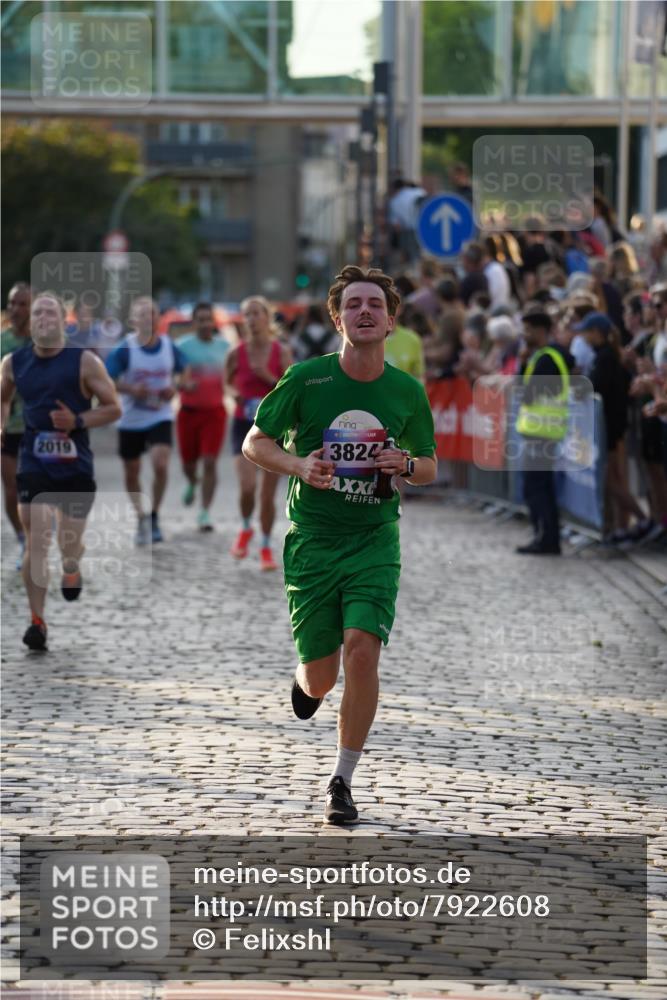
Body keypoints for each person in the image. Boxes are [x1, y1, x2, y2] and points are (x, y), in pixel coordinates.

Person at [242, 265, 437, 824]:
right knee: (322, 675)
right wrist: (300, 463)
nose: (366, 311)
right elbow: (255, 442)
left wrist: (404, 463)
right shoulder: (308, 379)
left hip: (375, 539)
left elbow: (429, 467)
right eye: (354, 304)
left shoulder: (406, 391)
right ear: (337, 318)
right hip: (314, 542)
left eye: (375, 304)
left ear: (391, 319)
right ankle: (308, 684)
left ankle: (341, 780)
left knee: (362, 648)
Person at [0, 292, 121, 650]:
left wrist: (79, 419)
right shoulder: (13, 362)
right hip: (34, 461)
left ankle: (72, 566)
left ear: (62, 321)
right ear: (29, 322)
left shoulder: (83, 362)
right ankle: (37, 621)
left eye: (50, 313)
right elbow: (3, 396)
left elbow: (113, 408)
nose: (43, 319)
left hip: (74, 467)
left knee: (68, 543)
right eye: (38, 314)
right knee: (36, 538)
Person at [106, 297, 187, 545]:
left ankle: (154, 515)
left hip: (160, 415)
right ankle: (140, 515)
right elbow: (106, 380)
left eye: (152, 313)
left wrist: (175, 387)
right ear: (133, 321)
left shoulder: (168, 346)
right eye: (142, 314)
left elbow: (184, 373)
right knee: (132, 471)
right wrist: (130, 389)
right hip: (131, 418)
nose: (148, 318)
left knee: (160, 464)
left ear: (158, 318)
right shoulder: (124, 348)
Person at [224, 296, 291, 570]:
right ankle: (244, 528)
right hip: (243, 425)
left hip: (273, 428)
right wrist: (234, 395)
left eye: (256, 314)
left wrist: (268, 378)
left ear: (267, 318)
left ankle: (264, 545)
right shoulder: (235, 353)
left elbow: (291, 390)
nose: (251, 320)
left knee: (267, 495)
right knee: (248, 487)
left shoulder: (281, 352)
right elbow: (225, 384)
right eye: (246, 315)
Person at [515, 308, 574, 556]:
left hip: (543, 433)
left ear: (541, 330)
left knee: (537, 488)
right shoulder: (546, 355)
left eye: (528, 329)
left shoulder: (548, 358)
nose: (524, 334)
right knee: (540, 487)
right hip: (544, 431)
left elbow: (529, 393)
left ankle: (547, 539)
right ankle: (545, 537)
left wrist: (524, 364)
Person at [176, 302, 230, 532]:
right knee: (189, 464)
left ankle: (205, 511)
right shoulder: (182, 347)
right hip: (188, 413)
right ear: (194, 322)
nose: (206, 324)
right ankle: (192, 481)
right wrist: (183, 384)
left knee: (209, 462)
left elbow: (234, 377)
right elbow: (173, 378)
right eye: (201, 319)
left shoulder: (226, 347)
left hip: (215, 413)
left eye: (209, 319)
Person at [1, 282, 31, 569]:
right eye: (13, 303)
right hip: (7, 427)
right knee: (11, 490)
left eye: (23, 303)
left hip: (38, 427)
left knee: (36, 488)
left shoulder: (44, 342)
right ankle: (22, 537)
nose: (16, 309)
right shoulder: (2, 343)